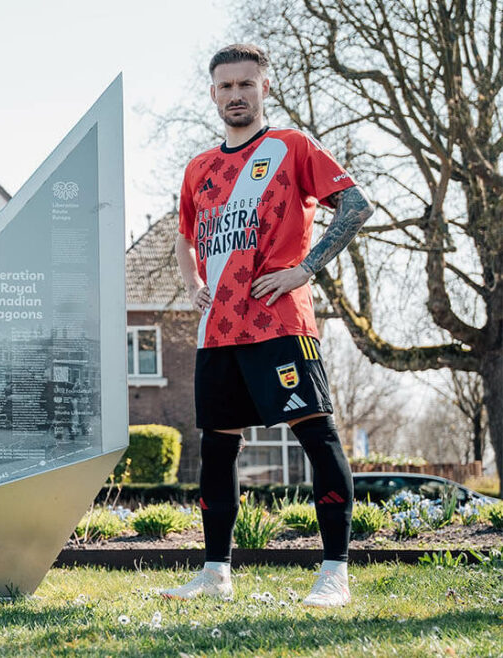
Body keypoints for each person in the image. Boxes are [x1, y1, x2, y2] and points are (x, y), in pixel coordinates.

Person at [164, 44, 374, 608]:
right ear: (212, 93)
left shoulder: (291, 147)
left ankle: (335, 574)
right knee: (217, 450)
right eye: (225, 86)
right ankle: (215, 573)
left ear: (264, 88)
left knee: (317, 437)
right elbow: (184, 235)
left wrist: (304, 270)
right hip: (217, 330)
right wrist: (190, 285)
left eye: (246, 84)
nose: (236, 94)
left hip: (280, 323)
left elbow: (355, 205)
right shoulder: (199, 168)